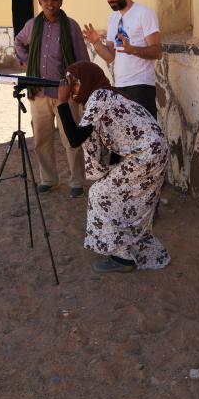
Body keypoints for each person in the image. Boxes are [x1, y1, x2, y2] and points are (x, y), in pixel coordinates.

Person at [56, 61, 170, 273]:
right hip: (152, 153)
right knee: (123, 200)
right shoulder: (109, 96)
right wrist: (114, 170)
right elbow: (121, 135)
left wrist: (62, 103)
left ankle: (122, 258)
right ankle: (132, 250)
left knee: (101, 194)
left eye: (74, 83)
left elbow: (75, 138)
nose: (71, 89)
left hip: (146, 156)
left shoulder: (99, 97)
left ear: (88, 80)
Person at [14, 0, 90, 198]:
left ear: (61, 2)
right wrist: (26, 59)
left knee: (71, 139)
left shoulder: (71, 26)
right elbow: (19, 42)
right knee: (42, 139)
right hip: (38, 93)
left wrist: (77, 89)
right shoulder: (32, 25)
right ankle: (49, 179)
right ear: (40, 2)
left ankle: (76, 182)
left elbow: (82, 59)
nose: (50, 3)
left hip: (64, 93)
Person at [82, 0, 162, 121]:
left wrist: (133, 50)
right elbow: (111, 56)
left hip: (141, 86)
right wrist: (96, 43)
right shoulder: (113, 18)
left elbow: (157, 51)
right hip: (120, 86)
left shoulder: (144, 13)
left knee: (145, 137)